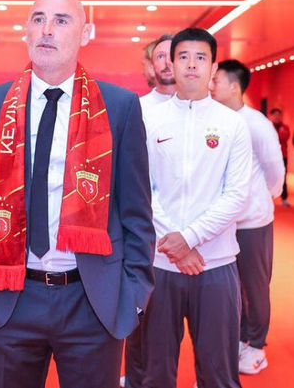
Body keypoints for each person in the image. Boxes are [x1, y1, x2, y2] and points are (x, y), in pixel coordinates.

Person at [0, 0, 155, 388]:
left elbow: (136, 212)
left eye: (62, 20)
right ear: (26, 31)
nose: (47, 29)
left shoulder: (119, 107)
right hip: (8, 298)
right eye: (38, 19)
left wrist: (132, 294)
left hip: (92, 300)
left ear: (86, 33)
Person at [141, 28, 252, 388]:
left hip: (216, 265)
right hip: (160, 265)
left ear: (213, 68)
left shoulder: (233, 124)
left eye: (200, 58)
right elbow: (140, 189)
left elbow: (237, 195)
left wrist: (189, 238)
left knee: (219, 375)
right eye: (183, 57)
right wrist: (175, 246)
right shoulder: (149, 120)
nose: (191, 65)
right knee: (155, 373)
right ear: (171, 64)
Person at [211, 59, 284, 375]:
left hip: (253, 222)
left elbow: (274, 171)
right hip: (223, 222)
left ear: (234, 87)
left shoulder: (257, 123)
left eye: (217, 80)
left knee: (254, 286)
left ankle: (256, 345)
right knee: (231, 287)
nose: (211, 85)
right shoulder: (215, 120)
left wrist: (259, 201)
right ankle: (239, 339)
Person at [121, 34, 174, 388]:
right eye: (160, 57)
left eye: (176, 56)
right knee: (140, 324)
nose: (168, 63)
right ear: (150, 66)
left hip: (198, 244)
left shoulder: (210, 114)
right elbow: (130, 179)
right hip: (146, 236)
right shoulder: (136, 109)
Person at [138, 35, 175, 114]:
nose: (167, 62)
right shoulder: (139, 107)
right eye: (161, 56)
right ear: (152, 66)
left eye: (172, 55)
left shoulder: (197, 104)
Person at [268, 108, 291, 207]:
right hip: (269, 156)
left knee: (283, 177)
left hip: (282, 156)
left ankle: (284, 198)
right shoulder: (267, 126)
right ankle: (267, 198)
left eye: (279, 115)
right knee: (268, 177)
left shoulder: (285, 127)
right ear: (271, 116)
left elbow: (285, 137)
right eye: (275, 115)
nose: (277, 117)